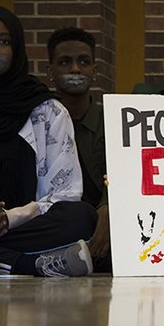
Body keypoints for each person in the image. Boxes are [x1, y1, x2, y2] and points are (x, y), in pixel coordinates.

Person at [0, 6, 96, 276]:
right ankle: (30, 264)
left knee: (81, 217)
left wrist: (7, 219)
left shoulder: (47, 112)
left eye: (4, 41)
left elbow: (64, 194)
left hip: (24, 229)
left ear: (17, 50)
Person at [46, 27, 110, 272]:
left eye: (84, 62)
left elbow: (123, 174)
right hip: (57, 223)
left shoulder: (111, 119)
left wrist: (107, 210)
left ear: (94, 71)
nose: (75, 69)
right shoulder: (40, 122)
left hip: (106, 228)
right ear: (50, 72)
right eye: (65, 62)